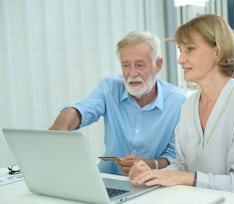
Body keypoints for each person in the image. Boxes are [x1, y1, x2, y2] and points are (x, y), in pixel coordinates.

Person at [129, 14, 234, 197]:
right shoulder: (189, 105)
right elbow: (181, 166)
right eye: (180, 50)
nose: (180, 59)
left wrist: (183, 178)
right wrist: (151, 174)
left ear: (217, 52)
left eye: (189, 49)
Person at [49, 31, 186, 176]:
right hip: (110, 179)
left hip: (154, 184)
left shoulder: (178, 101)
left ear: (157, 65)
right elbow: (82, 110)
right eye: (126, 65)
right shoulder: (110, 87)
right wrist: (60, 129)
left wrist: (150, 164)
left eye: (140, 65)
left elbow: (175, 156)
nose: (132, 73)